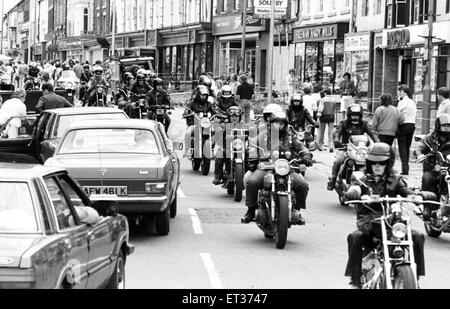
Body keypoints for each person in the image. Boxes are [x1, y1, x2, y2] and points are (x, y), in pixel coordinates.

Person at [344, 142, 426, 289]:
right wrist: (354, 193)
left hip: (392, 223)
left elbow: (404, 189)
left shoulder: (395, 178)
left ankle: (415, 278)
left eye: (381, 163)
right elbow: (355, 186)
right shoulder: (360, 177)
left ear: (387, 163)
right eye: (374, 163)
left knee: (418, 237)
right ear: (369, 162)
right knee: (354, 237)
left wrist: (414, 196)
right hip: (369, 223)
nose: (377, 166)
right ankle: (355, 281)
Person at [243, 111, 312, 225]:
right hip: (266, 167)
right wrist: (252, 156)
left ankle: (297, 211)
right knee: (252, 182)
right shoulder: (263, 135)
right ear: (271, 123)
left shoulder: (290, 136)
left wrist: (306, 155)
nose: (279, 126)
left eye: (281, 124)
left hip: (287, 168)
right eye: (276, 123)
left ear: (285, 125)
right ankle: (250, 211)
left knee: (303, 185)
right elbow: (252, 145)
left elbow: (301, 146)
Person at [327, 104, 379, 191]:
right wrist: (336, 141)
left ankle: (373, 183)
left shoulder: (364, 124)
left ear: (360, 116)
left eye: (357, 116)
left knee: (372, 162)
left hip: (360, 150)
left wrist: (377, 143)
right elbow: (337, 132)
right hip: (346, 148)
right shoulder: (343, 123)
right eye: (353, 115)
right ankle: (333, 179)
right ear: (349, 115)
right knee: (338, 160)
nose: (355, 118)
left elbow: (372, 132)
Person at [417, 114, 450, 220]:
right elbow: (421, 147)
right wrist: (420, 154)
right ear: (438, 126)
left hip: (448, 168)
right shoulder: (430, 139)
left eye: (449, 126)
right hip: (434, 168)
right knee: (427, 178)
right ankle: (427, 207)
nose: (447, 129)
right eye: (444, 126)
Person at [183, 85, 217, 158]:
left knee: (215, 132)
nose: (203, 97)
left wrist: (217, 114)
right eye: (202, 95)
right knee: (188, 132)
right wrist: (187, 113)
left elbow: (214, 111)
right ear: (198, 95)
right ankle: (187, 150)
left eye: (205, 95)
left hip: (206, 125)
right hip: (195, 124)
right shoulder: (192, 103)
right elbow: (187, 110)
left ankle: (212, 149)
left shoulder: (209, 104)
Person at [213, 106, 244, 185]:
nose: (234, 117)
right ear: (229, 116)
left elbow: (251, 131)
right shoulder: (224, 125)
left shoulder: (243, 125)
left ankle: (248, 175)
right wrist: (218, 130)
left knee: (250, 155)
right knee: (220, 153)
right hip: (227, 148)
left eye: (236, 116)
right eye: (232, 116)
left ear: (239, 117)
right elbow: (217, 131)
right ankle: (218, 176)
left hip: (241, 149)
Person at [397, 84, 417, 176]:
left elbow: (398, 113)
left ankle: (404, 168)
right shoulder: (412, 102)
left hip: (404, 125)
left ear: (404, 92)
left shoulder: (402, 102)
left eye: (400, 91)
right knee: (407, 147)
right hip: (412, 125)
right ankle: (406, 167)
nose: (399, 93)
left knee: (402, 148)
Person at [317, 88, 336, 152]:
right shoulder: (333, 100)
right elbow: (334, 108)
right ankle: (331, 146)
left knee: (322, 131)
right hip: (331, 116)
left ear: (325, 93)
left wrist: (318, 114)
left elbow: (320, 109)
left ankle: (320, 145)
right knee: (330, 132)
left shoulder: (323, 100)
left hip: (324, 116)